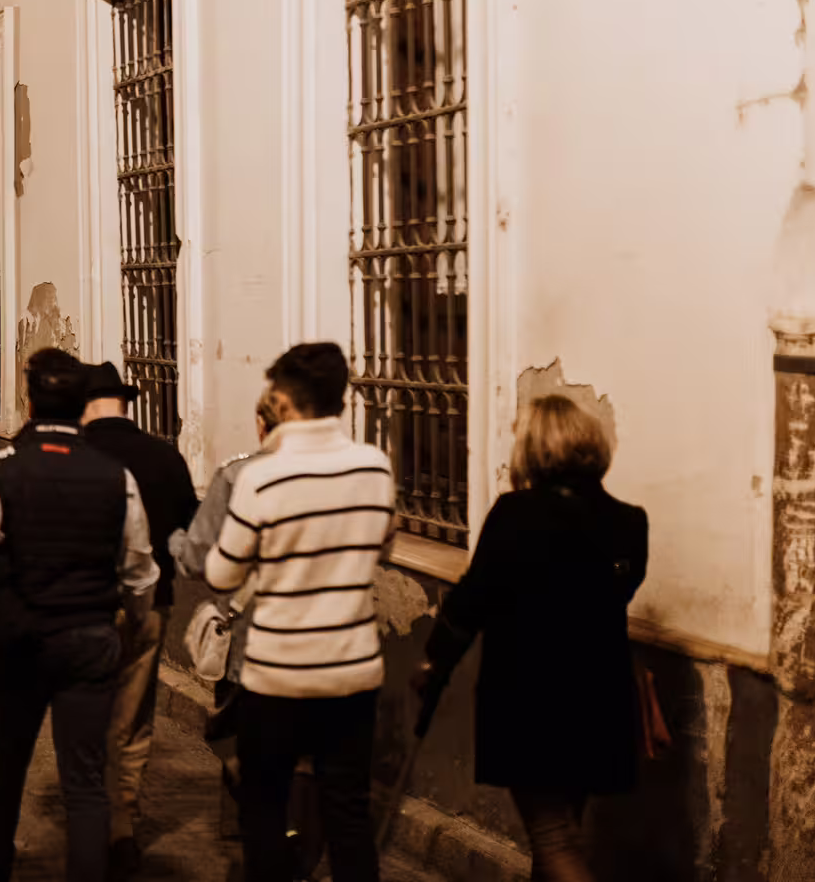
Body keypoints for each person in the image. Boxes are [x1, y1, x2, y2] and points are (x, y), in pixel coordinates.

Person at [415, 396, 648, 882]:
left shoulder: (515, 514)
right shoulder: (629, 521)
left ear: (534, 448)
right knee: (565, 830)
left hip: (531, 701)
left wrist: (436, 661)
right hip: (601, 698)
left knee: (554, 838)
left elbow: (471, 601)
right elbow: (617, 595)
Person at [0, 349, 160, 882]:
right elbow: (139, 568)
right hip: (89, 639)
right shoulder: (117, 477)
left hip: (20, 638)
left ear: (28, 403)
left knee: (7, 763)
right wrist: (133, 619)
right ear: (83, 406)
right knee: (85, 779)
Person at [204, 343, 395, 882]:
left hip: (278, 673)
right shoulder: (374, 467)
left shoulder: (261, 478)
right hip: (352, 672)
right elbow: (381, 548)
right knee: (348, 813)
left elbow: (221, 574)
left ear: (284, 400)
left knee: (263, 808)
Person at [79, 362, 198, 875]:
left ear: (85, 406)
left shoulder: (78, 456)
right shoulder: (165, 457)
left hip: (87, 607)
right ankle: (123, 819)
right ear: (124, 404)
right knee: (133, 715)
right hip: (152, 604)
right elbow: (188, 529)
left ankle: (95, 815)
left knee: (87, 712)